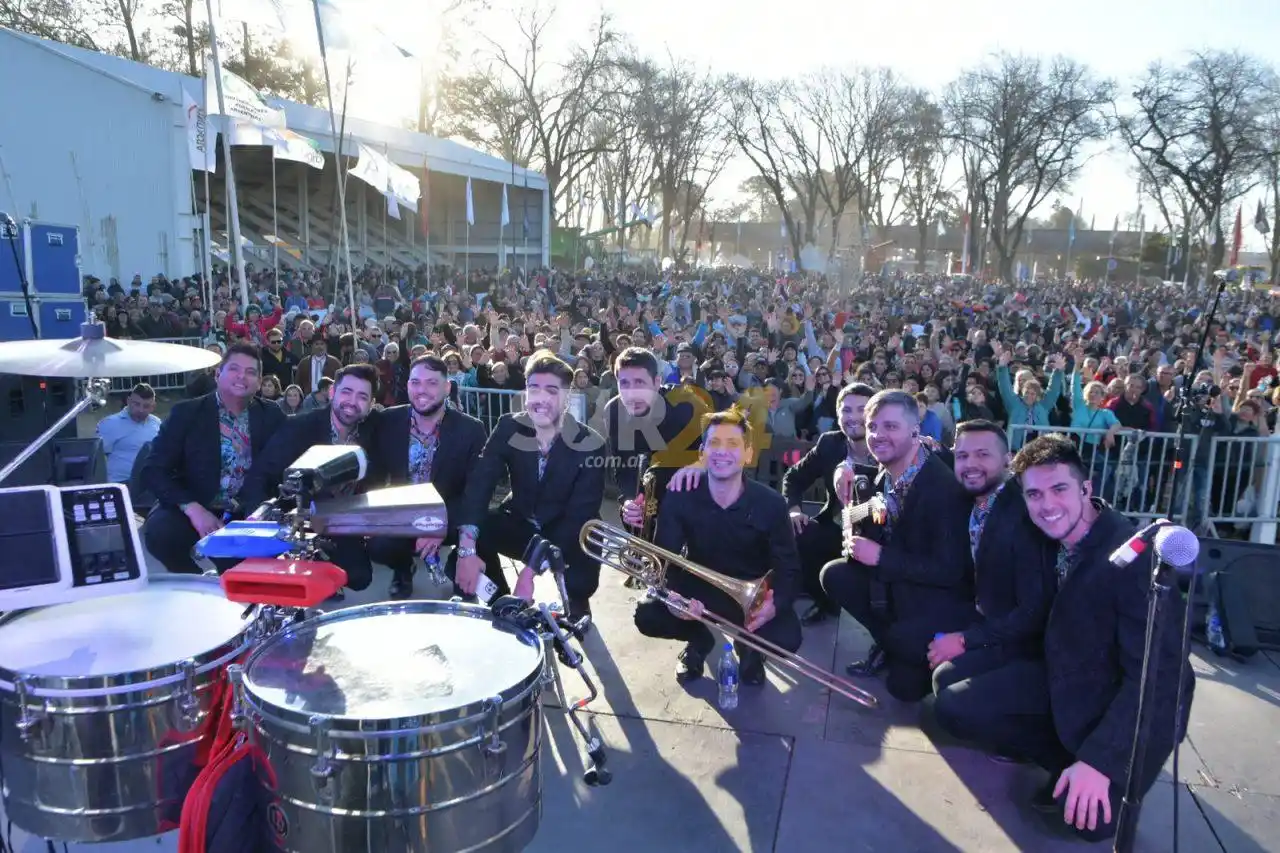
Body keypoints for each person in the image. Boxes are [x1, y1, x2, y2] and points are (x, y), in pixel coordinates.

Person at [932, 434, 1194, 840]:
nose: (1047, 505)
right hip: (1058, 669)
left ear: (1086, 488)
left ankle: (1082, 762)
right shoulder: (1042, 534)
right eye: (1034, 494)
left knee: (1093, 824)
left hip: (1113, 697)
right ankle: (1058, 757)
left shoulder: (1133, 561)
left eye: (1059, 489)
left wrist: (1100, 761)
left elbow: (1160, 679)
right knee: (951, 695)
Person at [622, 408, 802, 686]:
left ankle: (749, 647)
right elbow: (664, 557)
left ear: (749, 454)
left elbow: (788, 566)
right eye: (714, 443)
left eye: (733, 444)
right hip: (697, 587)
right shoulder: (680, 494)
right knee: (648, 615)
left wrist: (774, 606)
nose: (722, 452)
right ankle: (698, 640)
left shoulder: (772, 503)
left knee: (787, 636)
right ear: (702, 453)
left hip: (750, 592)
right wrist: (672, 600)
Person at [819, 389, 974, 701]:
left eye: (890, 427)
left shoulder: (941, 487)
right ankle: (890, 640)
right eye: (873, 426)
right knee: (834, 574)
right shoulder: (885, 472)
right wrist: (843, 471)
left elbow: (950, 571)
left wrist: (880, 556)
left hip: (934, 598)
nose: (877, 435)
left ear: (915, 430)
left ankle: (901, 645)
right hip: (897, 584)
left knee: (902, 687)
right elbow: (869, 506)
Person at [455, 350, 606, 622]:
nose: (541, 399)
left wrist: (528, 572)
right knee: (476, 533)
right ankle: (501, 600)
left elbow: (578, 516)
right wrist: (466, 546)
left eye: (551, 390)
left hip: (569, 530)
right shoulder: (509, 427)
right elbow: (481, 483)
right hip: (524, 519)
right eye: (534, 388)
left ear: (567, 396)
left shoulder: (590, 443)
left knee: (581, 575)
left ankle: (577, 602)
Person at [929, 420, 1057, 718]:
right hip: (985, 616)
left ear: (1008, 459)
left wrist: (964, 640)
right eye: (962, 456)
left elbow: (1034, 611)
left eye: (982, 455)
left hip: (1026, 642)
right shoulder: (972, 500)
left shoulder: (1023, 513)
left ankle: (1027, 738)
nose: (970, 464)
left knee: (948, 691)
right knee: (913, 648)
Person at [237, 364, 383, 596]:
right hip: (299, 517)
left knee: (359, 577)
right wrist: (257, 527)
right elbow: (261, 474)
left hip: (342, 519)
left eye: (362, 396)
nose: (352, 401)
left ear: (371, 403)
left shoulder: (373, 429)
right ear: (332, 392)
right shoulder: (300, 427)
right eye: (346, 392)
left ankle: (321, 569)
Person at [141, 343, 286, 573]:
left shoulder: (271, 414)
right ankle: (195, 584)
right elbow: (153, 469)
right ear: (218, 374)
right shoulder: (187, 413)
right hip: (197, 503)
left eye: (251, 372)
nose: (242, 377)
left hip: (247, 512)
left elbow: (284, 461)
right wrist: (193, 509)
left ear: (259, 382)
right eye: (234, 369)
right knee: (161, 533)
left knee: (244, 572)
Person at [362, 354, 487, 599]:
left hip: (450, 512)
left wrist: (437, 524)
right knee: (378, 546)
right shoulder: (387, 421)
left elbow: (474, 492)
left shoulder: (471, 429)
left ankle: (460, 570)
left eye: (431, 383)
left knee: (486, 526)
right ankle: (402, 568)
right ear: (407, 385)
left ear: (447, 387)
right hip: (405, 511)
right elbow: (374, 473)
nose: (422, 390)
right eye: (416, 382)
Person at [779, 383, 877, 624]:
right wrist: (793, 511)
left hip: (879, 536)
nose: (853, 417)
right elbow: (794, 477)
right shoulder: (829, 444)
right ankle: (825, 603)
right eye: (846, 410)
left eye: (862, 410)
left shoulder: (890, 446)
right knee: (796, 533)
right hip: (837, 527)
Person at [97, 382, 161, 483]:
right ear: (128, 401)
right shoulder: (110, 424)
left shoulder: (156, 423)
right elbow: (98, 458)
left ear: (153, 407)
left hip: (150, 482)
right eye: (136, 404)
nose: (140, 409)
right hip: (121, 482)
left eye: (146, 406)